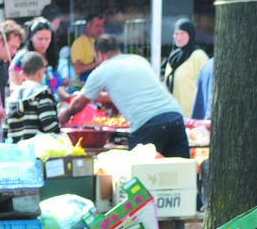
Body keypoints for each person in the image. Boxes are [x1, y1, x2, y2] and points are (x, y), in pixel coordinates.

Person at [59, 35, 189, 159]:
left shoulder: (102, 70)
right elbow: (132, 91)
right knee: (181, 169)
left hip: (147, 122)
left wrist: (65, 114)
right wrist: (101, 98)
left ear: (100, 54)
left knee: (140, 172)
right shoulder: (138, 60)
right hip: (175, 116)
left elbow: (78, 103)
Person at [5, 51, 61, 143]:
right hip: (37, 148)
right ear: (40, 73)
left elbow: (5, 128)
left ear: (22, 74)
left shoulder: (12, 98)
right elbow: (49, 125)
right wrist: (59, 135)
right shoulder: (42, 94)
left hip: (17, 148)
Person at [164, 18, 210, 117]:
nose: (179, 37)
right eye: (176, 34)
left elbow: (207, 87)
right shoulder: (172, 58)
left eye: (183, 33)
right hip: (174, 114)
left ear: (191, 34)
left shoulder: (198, 56)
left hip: (192, 116)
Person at [9, 17, 64, 97]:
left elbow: (54, 86)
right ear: (31, 37)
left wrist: (66, 96)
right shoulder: (21, 58)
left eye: (47, 39)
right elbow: (14, 87)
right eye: (40, 39)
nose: (44, 43)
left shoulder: (50, 56)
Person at [70, 13, 103, 81]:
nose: (100, 29)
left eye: (101, 26)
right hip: (84, 83)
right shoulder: (80, 42)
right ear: (88, 26)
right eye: (97, 26)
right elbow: (78, 69)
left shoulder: (102, 41)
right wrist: (97, 63)